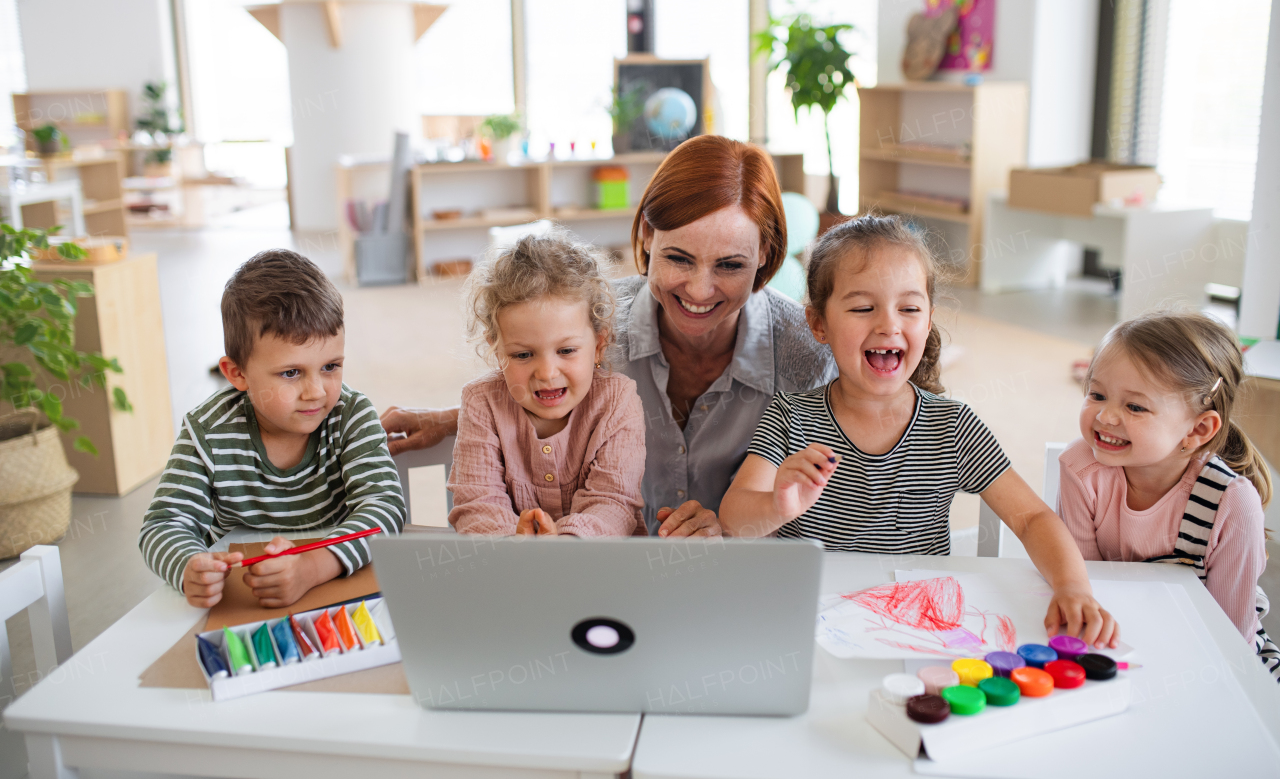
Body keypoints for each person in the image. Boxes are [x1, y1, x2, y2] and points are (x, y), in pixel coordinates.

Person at [381, 135, 836, 536]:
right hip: (605, 568)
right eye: (678, 258)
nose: (699, 290)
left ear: (765, 255)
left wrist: (735, 528)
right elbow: (538, 388)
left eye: (730, 265)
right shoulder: (586, 318)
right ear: (644, 237)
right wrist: (451, 420)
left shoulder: (808, 349)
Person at [720, 215, 1119, 648]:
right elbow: (734, 517)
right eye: (862, 307)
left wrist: (1072, 587)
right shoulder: (790, 417)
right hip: (813, 623)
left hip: (918, 627)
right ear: (818, 324)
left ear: (928, 320)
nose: (889, 325)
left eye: (909, 308)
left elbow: (1032, 517)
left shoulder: (953, 427)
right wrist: (779, 505)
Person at [138, 250, 406, 609]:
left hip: (337, 584)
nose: (316, 391)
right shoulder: (207, 432)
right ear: (237, 374)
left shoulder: (351, 415)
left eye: (330, 366)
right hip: (243, 595)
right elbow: (163, 524)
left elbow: (384, 509)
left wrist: (311, 568)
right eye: (291, 373)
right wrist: (189, 567)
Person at [1058, 310, 1277, 679]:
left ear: (1198, 429)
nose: (1106, 417)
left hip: (1216, 652)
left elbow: (1231, 632)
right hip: (1124, 636)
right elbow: (1087, 585)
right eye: (1097, 394)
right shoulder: (1080, 468)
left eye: (1135, 406)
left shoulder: (1232, 503)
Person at [448, 229, 646, 536]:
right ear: (498, 351)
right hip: (512, 571)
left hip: (603, 573)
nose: (546, 372)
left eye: (566, 351)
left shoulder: (617, 400)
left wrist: (563, 545)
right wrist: (515, 541)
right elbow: (476, 504)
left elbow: (614, 502)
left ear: (599, 345)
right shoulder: (481, 402)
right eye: (523, 354)